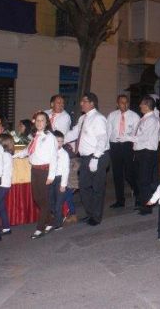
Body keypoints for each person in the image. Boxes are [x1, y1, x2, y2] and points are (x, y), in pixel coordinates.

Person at [64, 93, 110, 225]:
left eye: (84, 101)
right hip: (85, 158)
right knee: (83, 187)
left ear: (92, 103)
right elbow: (74, 133)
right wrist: (58, 141)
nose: (81, 103)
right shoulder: (83, 118)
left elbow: (102, 138)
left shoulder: (98, 118)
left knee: (97, 188)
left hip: (98, 156)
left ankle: (96, 217)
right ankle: (90, 213)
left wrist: (95, 157)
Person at [15, 112, 58, 238]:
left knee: (43, 200)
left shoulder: (50, 137)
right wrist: (15, 155)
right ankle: (51, 221)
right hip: (34, 170)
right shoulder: (36, 136)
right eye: (38, 120)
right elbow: (28, 150)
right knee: (37, 199)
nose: (40, 122)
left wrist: (51, 176)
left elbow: (54, 157)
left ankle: (40, 228)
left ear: (47, 122)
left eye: (42, 120)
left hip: (44, 171)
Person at [123, 95, 160, 215]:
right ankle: (143, 202)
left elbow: (143, 137)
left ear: (147, 105)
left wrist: (127, 137)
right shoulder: (144, 118)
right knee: (138, 179)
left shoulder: (152, 120)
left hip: (147, 153)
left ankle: (147, 206)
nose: (139, 105)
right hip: (140, 152)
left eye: (142, 103)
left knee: (145, 181)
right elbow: (138, 133)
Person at [106, 94, 140, 208]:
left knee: (130, 174)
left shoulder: (135, 116)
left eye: (126, 102)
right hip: (115, 146)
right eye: (121, 102)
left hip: (127, 146)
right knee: (117, 174)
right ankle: (120, 200)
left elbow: (137, 134)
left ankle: (138, 195)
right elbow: (107, 132)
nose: (124, 105)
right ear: (117, 103)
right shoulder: (112, 115)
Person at [0, 133, 14, 236]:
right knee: (0, 205)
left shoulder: (4, 155)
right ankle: (5, 227)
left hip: (2, 183)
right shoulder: (6, 154)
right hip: (4, 183)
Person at [51, 130, 69, 229]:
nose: (60, 143)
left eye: (62, 141)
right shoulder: (49, 152)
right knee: (51, 202)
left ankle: (58, 224)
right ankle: (60, 217)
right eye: (58, 141)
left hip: (60, 179)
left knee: (58, 203)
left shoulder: (64, 154)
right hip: (51, 179)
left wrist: (63, 184)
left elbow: (66, 170)